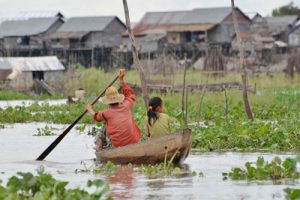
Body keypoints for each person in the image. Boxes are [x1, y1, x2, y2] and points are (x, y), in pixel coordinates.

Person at [86, 69, 141, 149]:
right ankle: (101, 146)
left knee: (104, 127)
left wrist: (90, 109)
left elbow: (96, 117)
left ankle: (100, 147)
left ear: (108, 102)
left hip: (118, 146)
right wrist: (122, 80)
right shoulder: (126, 105)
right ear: (118, 99)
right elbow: (130, 94)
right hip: (134, 142)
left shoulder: (105, 113)